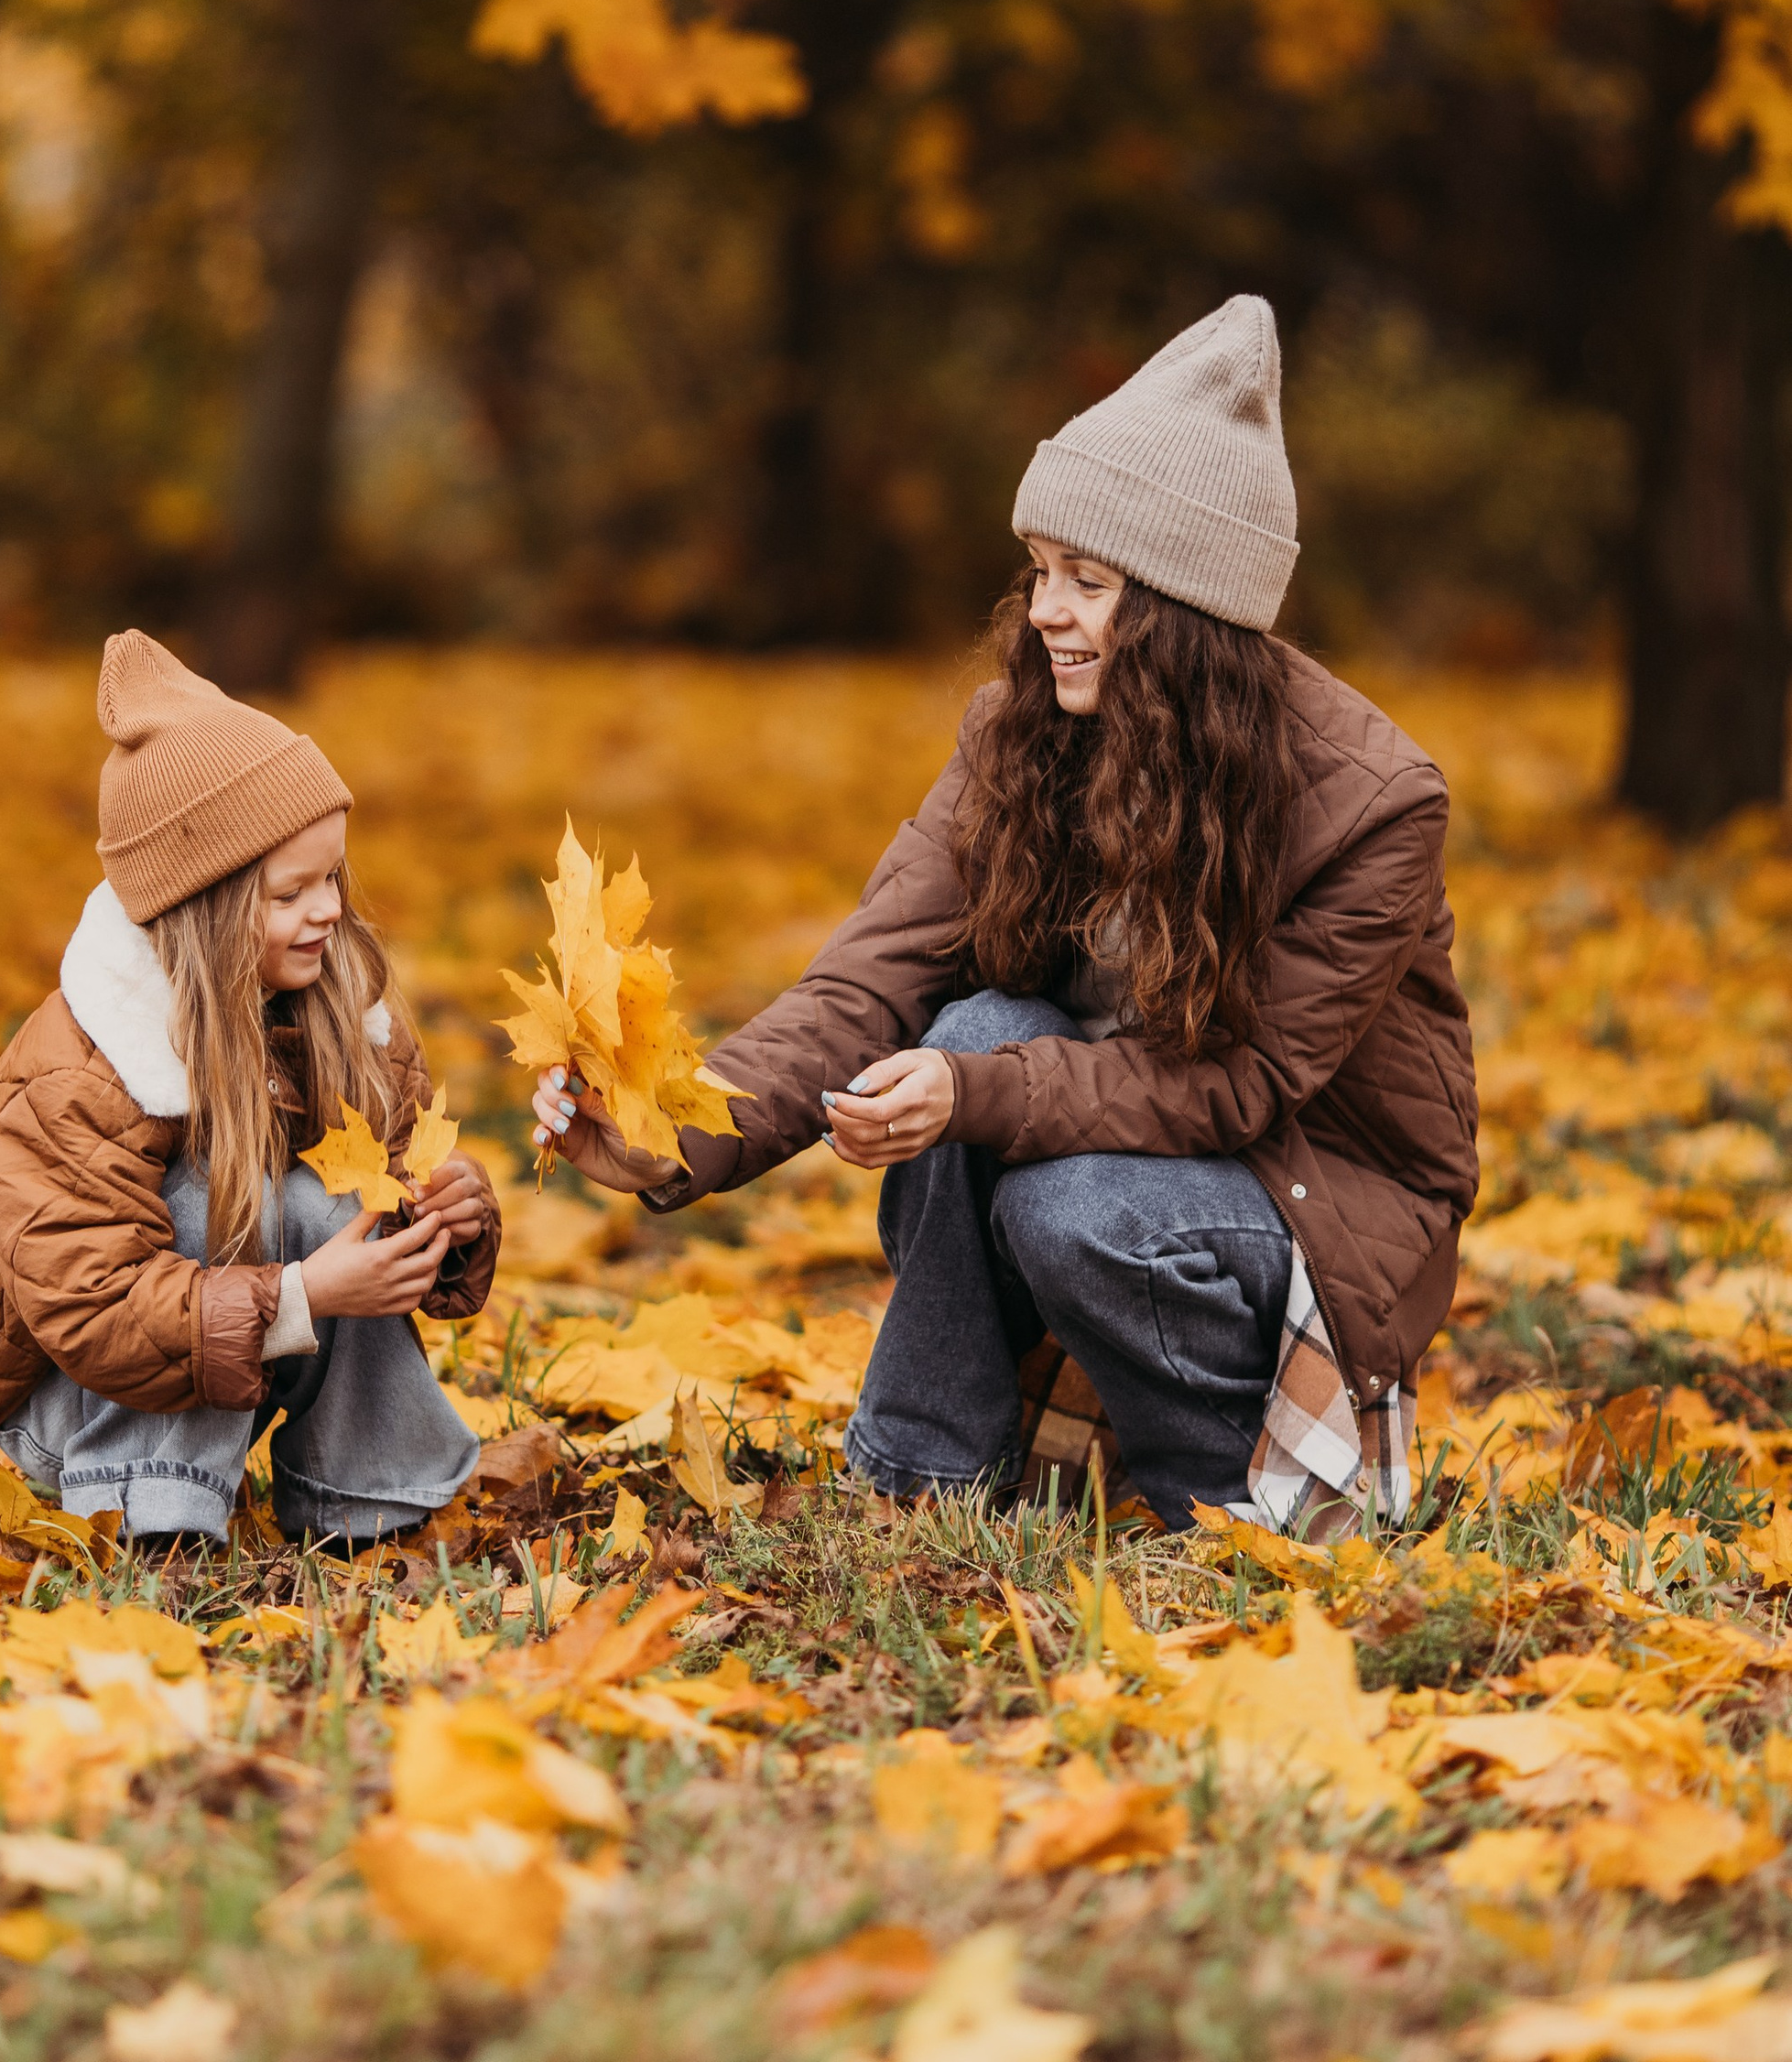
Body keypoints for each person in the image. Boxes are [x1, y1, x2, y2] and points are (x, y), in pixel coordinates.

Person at [534, 297, 1479, 1533]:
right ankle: (920, 1478)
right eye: (1039, 570)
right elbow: (869, 983)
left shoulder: (1370, 804)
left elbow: (1241, 1083)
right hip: (1095, 1139)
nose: (1043, 610)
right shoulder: (1025, 732)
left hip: (1307, 1195)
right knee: (972, 1030)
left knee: (1049, 1183)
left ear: (1185, 610)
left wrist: (973, 1096)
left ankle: (1217, 1490)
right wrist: (675, 1131)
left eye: (1087, 581)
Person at [0, 629, 497, 1548]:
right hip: (72, 1389)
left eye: (332, 879)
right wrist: (303, 1294)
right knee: (217, 1200)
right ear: (202, 909)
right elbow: (93, 1305)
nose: (329, 910)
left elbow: (386, 1178)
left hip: (242, 1340)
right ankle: (150, 1513)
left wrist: (445, 1219)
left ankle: (370, 1497)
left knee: (338, 1201)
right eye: (290, 894)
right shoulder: (86, 1067)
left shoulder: (342, 1011)